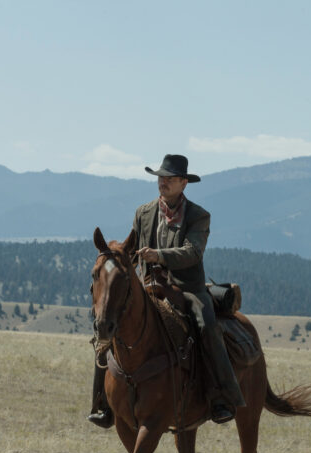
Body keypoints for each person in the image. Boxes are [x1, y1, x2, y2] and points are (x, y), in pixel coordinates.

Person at [88, 154, 246, 428]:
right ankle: (102, 403)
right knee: (107, 328)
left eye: (170, 178)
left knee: (206, 325)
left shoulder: (198, 216)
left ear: (184, 183)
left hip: (188, 290)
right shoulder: (144, 212)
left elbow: (192, 252)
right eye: (161, 178)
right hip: (149, 287)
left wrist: (159, 255)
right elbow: (132, 251)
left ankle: (222, 396)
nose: (164, 182)